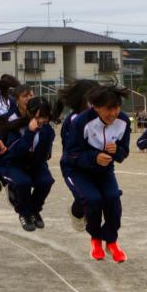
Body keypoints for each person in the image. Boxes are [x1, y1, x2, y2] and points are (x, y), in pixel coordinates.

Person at [63, 85, 131, 262]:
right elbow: (71, 154)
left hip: (104, 170)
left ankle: (111, 242)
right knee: (93, 200)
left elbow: (124, 152)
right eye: (108, 108)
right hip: (77, 170)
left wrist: (117, 151)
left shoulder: (124, 121)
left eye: (117, 107)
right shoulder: (81, 122)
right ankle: (95, 239)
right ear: (96, 107)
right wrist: (94, 157)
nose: (113, 113)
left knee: (112, 197)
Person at [0, 96, 56, 231]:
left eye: (45, 117)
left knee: (46, 181)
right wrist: (30, 133)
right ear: (29, 113)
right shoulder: (16, 126)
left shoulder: (48, 129)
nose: (42, 120)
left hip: (36, 163)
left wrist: (45, 135)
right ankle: (24, 213)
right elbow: (16, 153)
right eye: (38, 117)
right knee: (23, 182)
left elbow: (46, 154)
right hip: (15, 163)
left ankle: (34, 210)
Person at [57, 79, 99, 232]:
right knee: (84, 197)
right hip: (73, 167)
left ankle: (89, 215)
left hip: (93, 165)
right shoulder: (73, 120)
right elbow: (71, 148)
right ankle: (76, 213)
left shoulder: (99, 116)